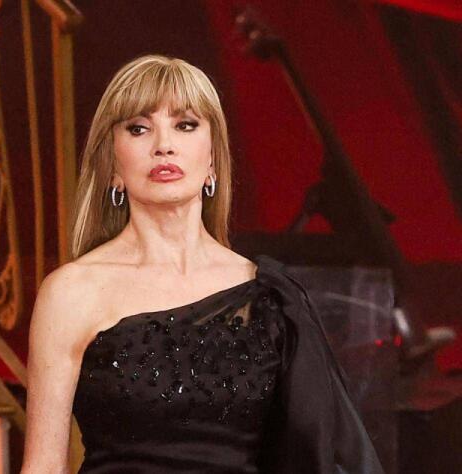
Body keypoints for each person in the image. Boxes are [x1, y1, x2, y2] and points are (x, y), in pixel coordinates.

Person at [20, 54, 385, 474]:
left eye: (185, 125)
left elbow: (321, 454)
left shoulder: (269, 297)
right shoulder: (70, 293)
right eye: (138, 128)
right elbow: (43, 467)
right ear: (113, 165)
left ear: (212, 160)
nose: (163, 145)